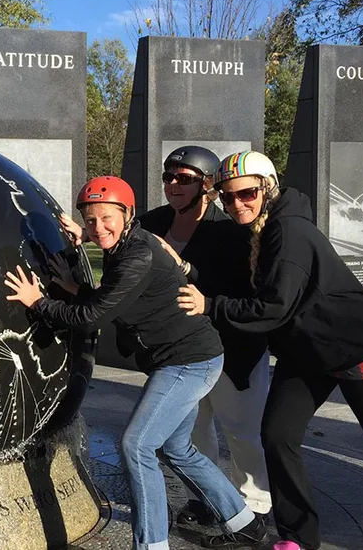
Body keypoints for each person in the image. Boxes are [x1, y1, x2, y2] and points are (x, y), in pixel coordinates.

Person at [178, 151, 363, 550]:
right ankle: (298, 538)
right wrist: (190, 272)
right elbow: (245, 285)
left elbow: (273, 306)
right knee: (278, 436)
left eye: (247, 193)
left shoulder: (288, 232)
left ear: (267, 188)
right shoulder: (256, 229)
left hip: (358, 350)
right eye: (227, 197)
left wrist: (209, 304)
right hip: (306, 353)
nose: (237, 204)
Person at [4, 175, 267, 550]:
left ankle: (151, 544)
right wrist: (74, 288)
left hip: (188, 362)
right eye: (91, 220)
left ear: (127, 214)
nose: (98, 227)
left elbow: (93, 317)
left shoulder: (137, 254)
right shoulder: (125, 247)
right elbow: (118, 298)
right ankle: (244, 522)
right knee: (177, 448)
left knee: (137, 445)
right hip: (186, 358)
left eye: (107, 218)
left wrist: (38, 302)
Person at [138, 146, 272, 525]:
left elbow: (244, 292)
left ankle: (255, 505)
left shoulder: (230, 229)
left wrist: (185, 267)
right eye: (169, 176)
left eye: (185, 178)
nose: (174, 185)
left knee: (242, 432)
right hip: (182, 351)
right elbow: (122, 237)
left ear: (208, 185)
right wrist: (85, 230)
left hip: (234, 349)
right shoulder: (154, 223)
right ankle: (208, 498)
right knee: (194, 434)